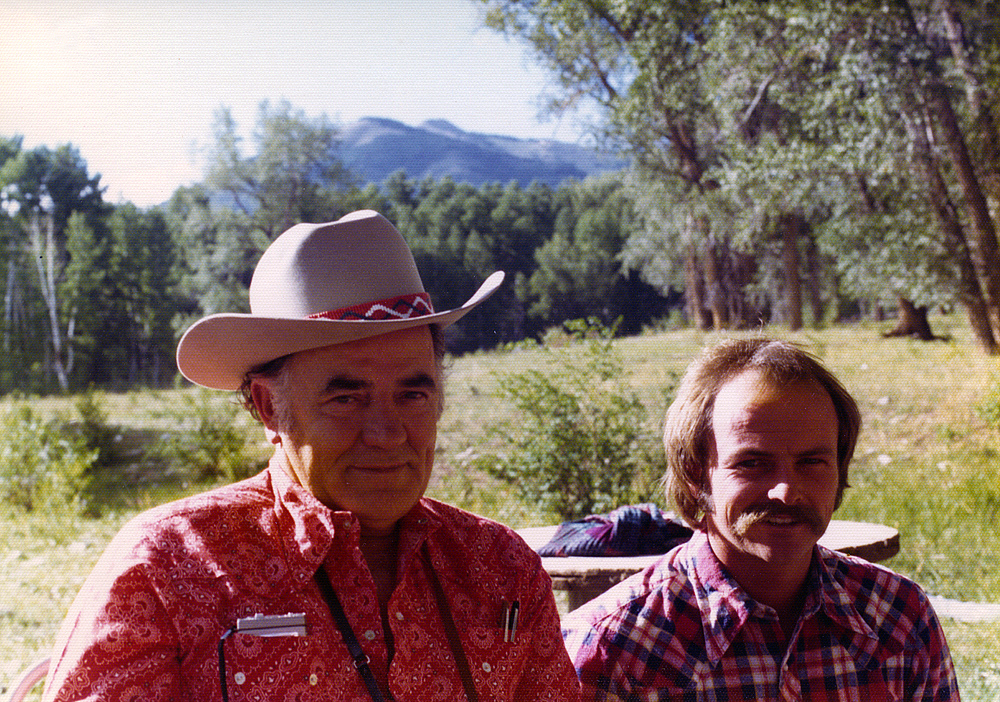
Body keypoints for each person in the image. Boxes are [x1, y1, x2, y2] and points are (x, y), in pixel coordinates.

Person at [43, 210, 580, 702]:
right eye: (345, 398)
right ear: (267, 406)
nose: (388, 433)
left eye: (413, 395)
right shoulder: (167, 569)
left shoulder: (501, 568)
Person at [562, 337, 959, 701]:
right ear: (695, 473)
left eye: (812, 462)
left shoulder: (899, 620)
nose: (785, 491)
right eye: (752, 463)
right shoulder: (612, 647)